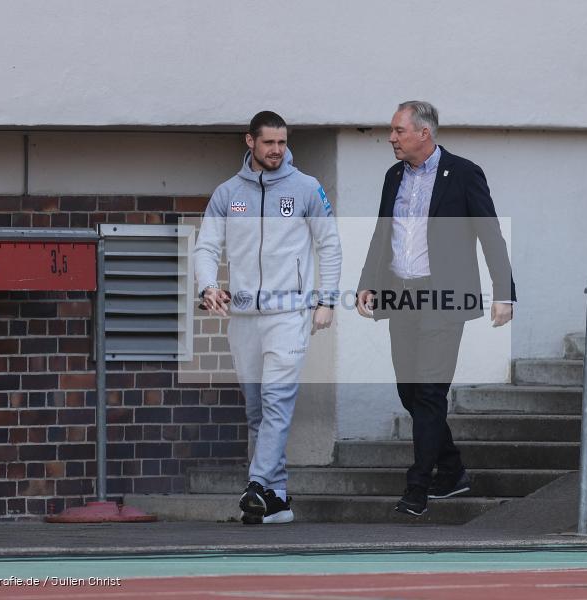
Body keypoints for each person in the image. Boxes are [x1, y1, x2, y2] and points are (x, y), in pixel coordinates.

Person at [357, 100, 516, 517]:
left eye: (398, 131)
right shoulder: (394, 176)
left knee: (429, 392)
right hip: (400, 296)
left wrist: (504, 292)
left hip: (443, 300)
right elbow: (382, 234)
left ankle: (418, 488)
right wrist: (367, 284)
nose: (391, 138)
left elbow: (490, 235)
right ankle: (452, 470)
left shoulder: (464, 174)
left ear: (423, 133)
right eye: (392, 131)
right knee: (410, 392)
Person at [194, 110, 342, 525]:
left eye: (282, 142)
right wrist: (208, 286)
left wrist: (326, 300)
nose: (277, 150)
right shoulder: (226, 193)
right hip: (242, 316)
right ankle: (276, 500)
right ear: (250, 142)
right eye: (269, 143)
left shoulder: (307, 188)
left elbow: (329, 245)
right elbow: (206, 246)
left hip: (289, 314)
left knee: (277, 402)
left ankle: (256, 484)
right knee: (257, 410)